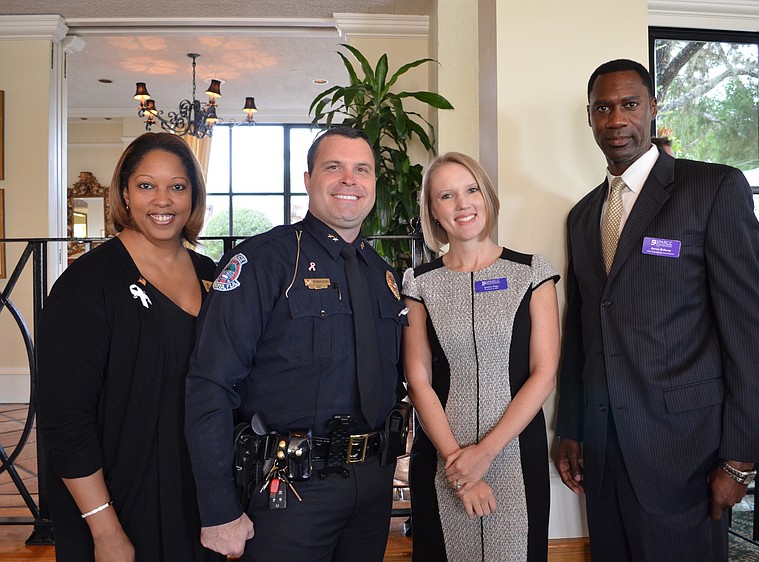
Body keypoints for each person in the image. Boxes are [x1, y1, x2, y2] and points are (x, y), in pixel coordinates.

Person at [554, 58, 759, 561]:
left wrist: (739, 459)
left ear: (652, 109)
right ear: (589, 117)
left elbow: (748, 331)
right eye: (603, 108)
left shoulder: (713, 189)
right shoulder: (584, 215)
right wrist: (571, 427)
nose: (616, 120)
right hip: (604, 454)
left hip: (687, 454)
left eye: (629, 104)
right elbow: (583, 331)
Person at [184, 126, 408, 562]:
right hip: (290, 487)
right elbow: (209, 384)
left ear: (373, 185)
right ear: (308, 180)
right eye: (333, 168)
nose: (349, 180)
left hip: (373, 486)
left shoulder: (382, 276)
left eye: (361, 169)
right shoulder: (263, 262)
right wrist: (217, 509)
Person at [36, 132, 221, 561]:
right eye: (146, 185)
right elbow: (65, 420)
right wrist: (105, 529)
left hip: (195, 499)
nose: (163, 200)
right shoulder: (85, 285)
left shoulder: (212, 274)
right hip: (116, 503)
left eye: (177, 186)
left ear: (193, 195)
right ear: (123, 192)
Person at [402, 152, 560, 562]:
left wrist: (484, 454)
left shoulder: (532, 272)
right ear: (433, 212)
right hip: (442, 457)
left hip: (513, 456)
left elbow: (544, 374)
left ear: (487, 196)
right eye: (447, 196)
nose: (463, 204)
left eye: (471, 190)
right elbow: (417, 378)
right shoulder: (419, 283)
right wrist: (460, 469)